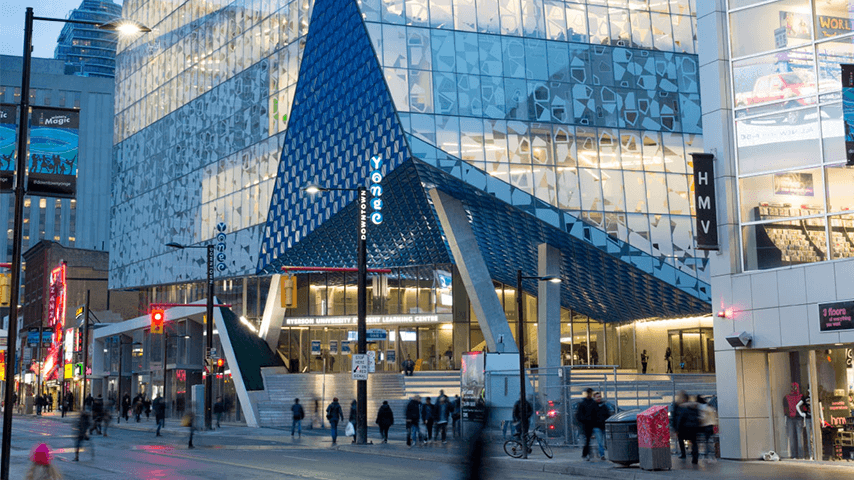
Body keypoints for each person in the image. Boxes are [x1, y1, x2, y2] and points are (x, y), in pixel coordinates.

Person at [677, 392, 701, 464]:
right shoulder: (695, 407)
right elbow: (698, 417)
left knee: (681, 440)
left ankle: (683, 454)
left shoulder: (683, 408)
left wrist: (677, 428)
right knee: (694, 443)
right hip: (694, 428)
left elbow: (680, 419)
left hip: (686, 428)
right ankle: (695, 458)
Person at [575, 388, 596, 461]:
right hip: (586, 424)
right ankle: (586, 454)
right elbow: (579, 415)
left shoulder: (592, 403)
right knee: (587, 439)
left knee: (588, 440)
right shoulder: (584, 403)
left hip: (591, 424)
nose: (590, 394)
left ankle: (587, 454)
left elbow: (595, 413)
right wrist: (583, 420)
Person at [697, 395, 718, 462]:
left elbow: (702, 417)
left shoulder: (702, 407)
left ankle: (705, 455)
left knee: (705, 441)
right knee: (709, 441)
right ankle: (711, 455)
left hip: (705, 426)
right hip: (711, 425)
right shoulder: (710, 407)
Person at [593, 392, 613, 461]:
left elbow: (607, 415)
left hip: (604, 426)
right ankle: (602, 455)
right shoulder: (593, 406)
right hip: (597, 427)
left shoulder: (604, 406)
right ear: (594, 398)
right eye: (597, 397)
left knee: (606, 441)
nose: (598, 398)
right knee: (600, 442)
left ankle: (603, 453)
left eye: (599, 397)